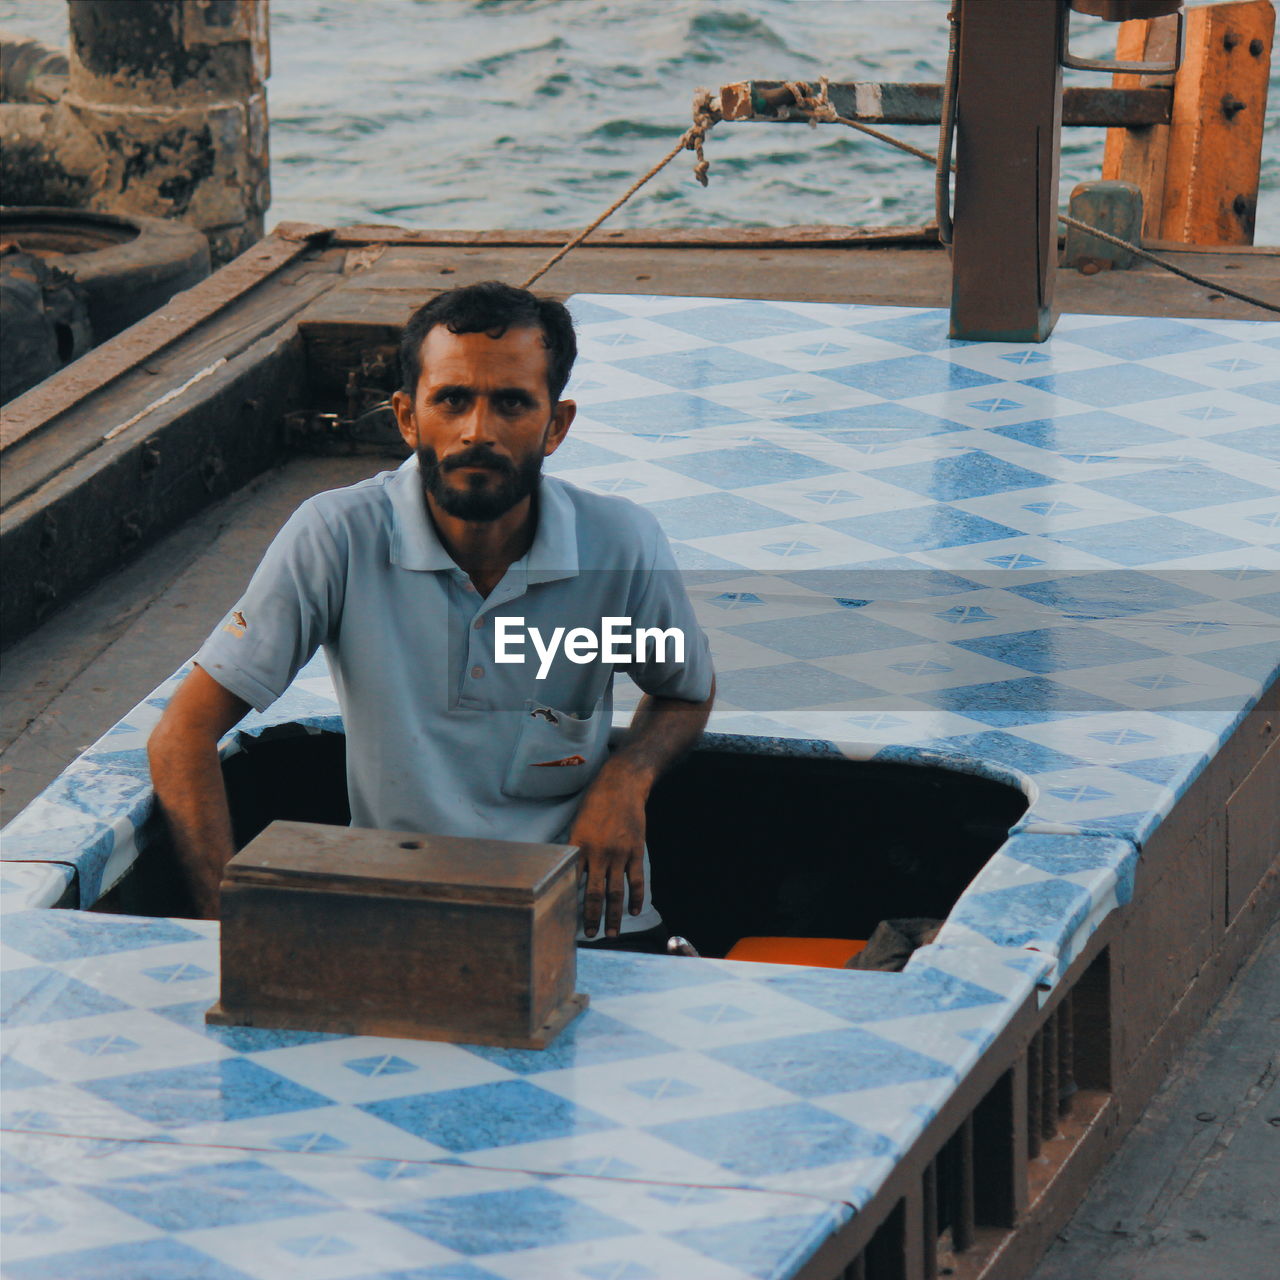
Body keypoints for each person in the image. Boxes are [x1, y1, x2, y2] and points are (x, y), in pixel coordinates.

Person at [147, 280, 715, 947]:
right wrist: (232, 937)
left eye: (511, 403)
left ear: (555, 425)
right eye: (452, 400)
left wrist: (628, 776)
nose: (478, 430)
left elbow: (684, 692)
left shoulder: (619, 545)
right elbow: (181, 738)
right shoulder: (339, 537)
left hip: (592, 926)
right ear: (408, 417)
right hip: (405, 925)